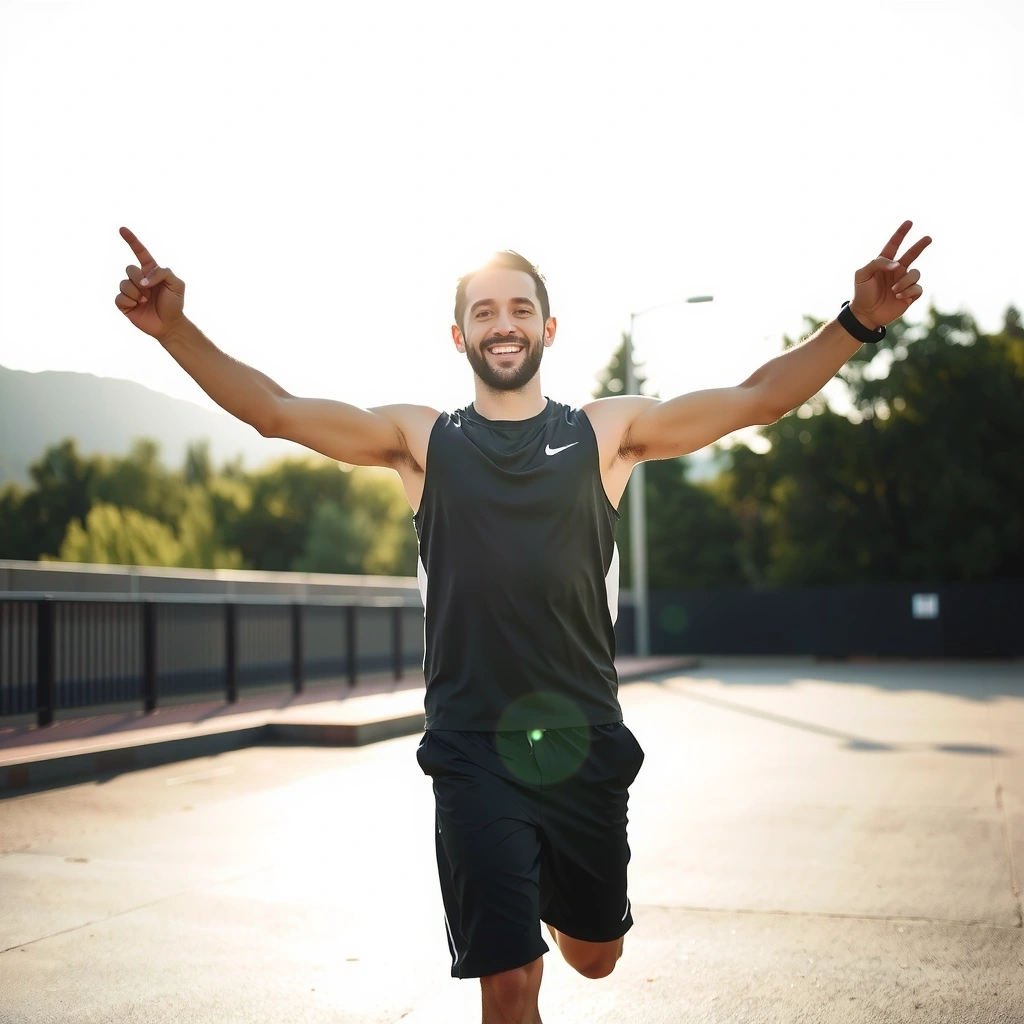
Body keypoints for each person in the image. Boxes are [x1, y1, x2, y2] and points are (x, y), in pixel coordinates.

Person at [114, 221, 930, 1023]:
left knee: (595, 957)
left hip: (583, 739)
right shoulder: (421, 440)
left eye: (518, 309)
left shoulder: (604, 434)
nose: (502, 324)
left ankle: (545, 890)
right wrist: (174, 330)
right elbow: (277, 411)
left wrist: (857, 322)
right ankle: (509, 886)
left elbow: (757, 401)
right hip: (473, 747)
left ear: (548, 327)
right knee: (509, 986)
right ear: (459, 336)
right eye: (483, 312)